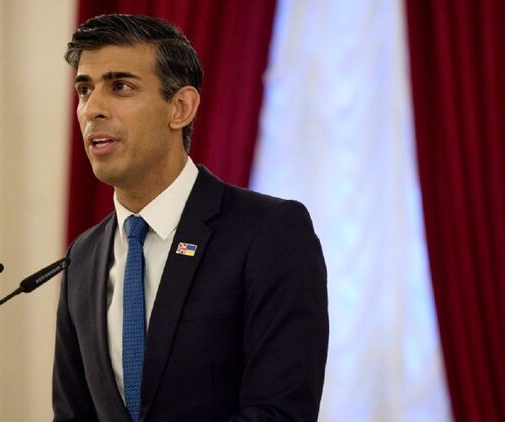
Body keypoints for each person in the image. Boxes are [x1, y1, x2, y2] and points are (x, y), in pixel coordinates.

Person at [53, 14, 328, 422]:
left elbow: (281, 412)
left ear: (180, 107)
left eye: (120, 86)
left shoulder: (270, 232)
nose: (92, 109)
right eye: (84, 90)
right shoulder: (84, 256)